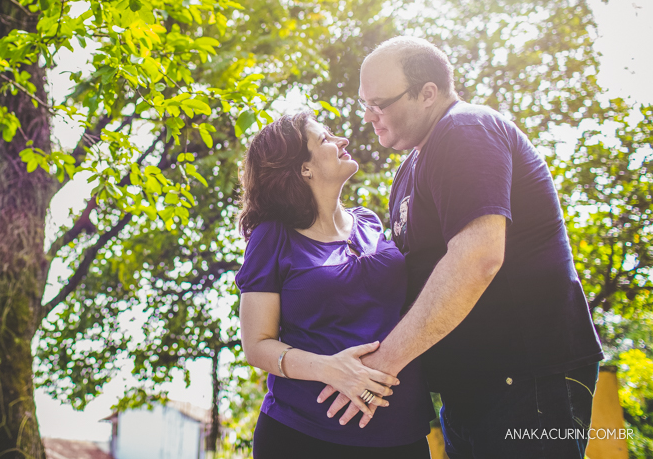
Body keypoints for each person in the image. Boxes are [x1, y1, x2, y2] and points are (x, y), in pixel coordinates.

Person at [319, 36, 603, 458]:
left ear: (427, 93)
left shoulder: (465, 129)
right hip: (471, 388)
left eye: (379, 104)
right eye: (365, 104)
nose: (368, 116)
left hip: (527, 379)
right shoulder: (410, 169)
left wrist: (383, 366)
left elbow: (478, 258)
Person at [236, 112, 435, 459]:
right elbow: (256, 344)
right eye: (325, 139)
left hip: (402, 431)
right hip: (304, 434)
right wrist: (331, 369)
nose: (342, 140)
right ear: (304, 169)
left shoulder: (369, 222)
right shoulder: (272, 236)